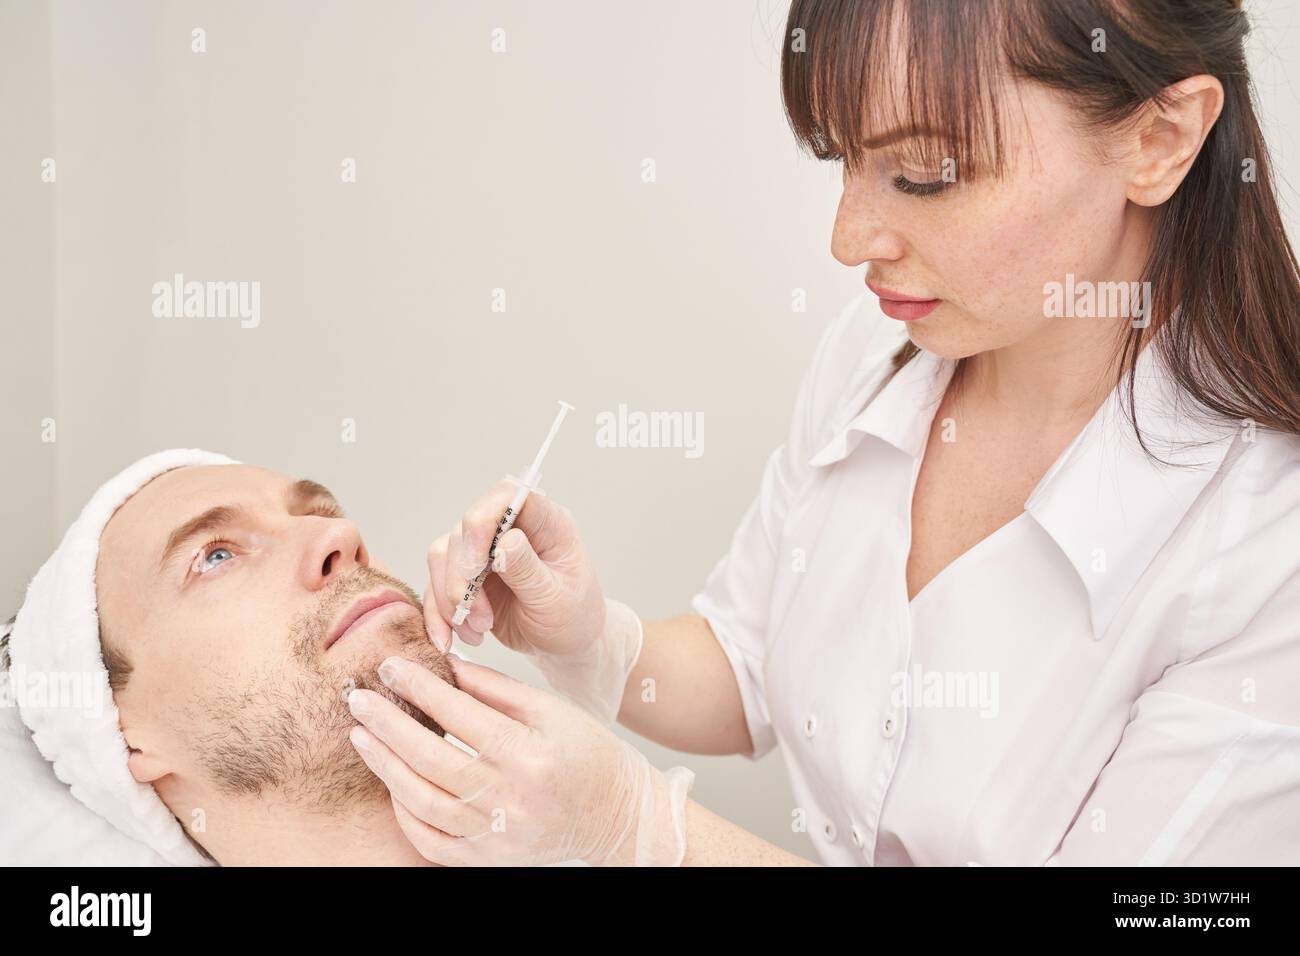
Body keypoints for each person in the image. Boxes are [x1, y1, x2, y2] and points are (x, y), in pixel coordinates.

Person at [350, 0, 1300, 866]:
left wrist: (640, 834)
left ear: (1161, 138)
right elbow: (753, 673)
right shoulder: (884, 349)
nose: (850, 239)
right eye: (843, 157)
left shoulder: (1268, 546)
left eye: (924, 173)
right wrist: (592, 640)